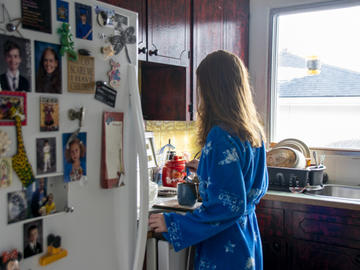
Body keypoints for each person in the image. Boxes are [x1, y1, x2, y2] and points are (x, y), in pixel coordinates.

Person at [149, 50, 269, 270]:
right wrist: (205, 167)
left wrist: (172, 222)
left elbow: (226, 206)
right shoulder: (253, 132)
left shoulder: (221, 136)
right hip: (247, 237)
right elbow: (252, 187)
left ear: (212, 90)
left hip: (226, 245)